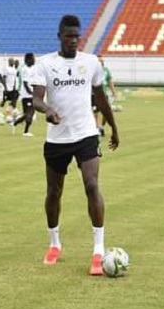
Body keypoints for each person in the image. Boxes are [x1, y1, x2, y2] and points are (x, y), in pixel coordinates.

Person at [32, 15, 120, 276]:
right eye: (68, 36)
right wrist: (48, 110)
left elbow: (101, 98)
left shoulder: (91, 62)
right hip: (57, 139)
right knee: (53, 192)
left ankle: (98, 250)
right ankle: (54, 243)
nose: (73, 40)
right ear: (59, 36)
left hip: (86, 135)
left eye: (76, 36)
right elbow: (36, 99)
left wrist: (113, 127)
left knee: (92, 185)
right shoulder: (45, 64)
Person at [93, 55, 118, 137]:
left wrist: (114, 92)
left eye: (102, 61)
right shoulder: (92, 70)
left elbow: (110, 81)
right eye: (99, 61)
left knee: (106, 113)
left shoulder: (106, 70)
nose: (101, 62)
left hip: (104, 94)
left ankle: (101, 125)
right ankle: (98, 128)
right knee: (96, 112)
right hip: (95, 94)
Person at [12, 53, 36, 137]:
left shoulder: (32, 68)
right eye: (33, 58)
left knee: (28, 114)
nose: (34, 60)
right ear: (28, 60)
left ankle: (17, 123)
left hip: (29, 94)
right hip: (26, 95)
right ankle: (24, 130)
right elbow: (25, 83)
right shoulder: (25, 69)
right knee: (30, 113)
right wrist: (31, 93)